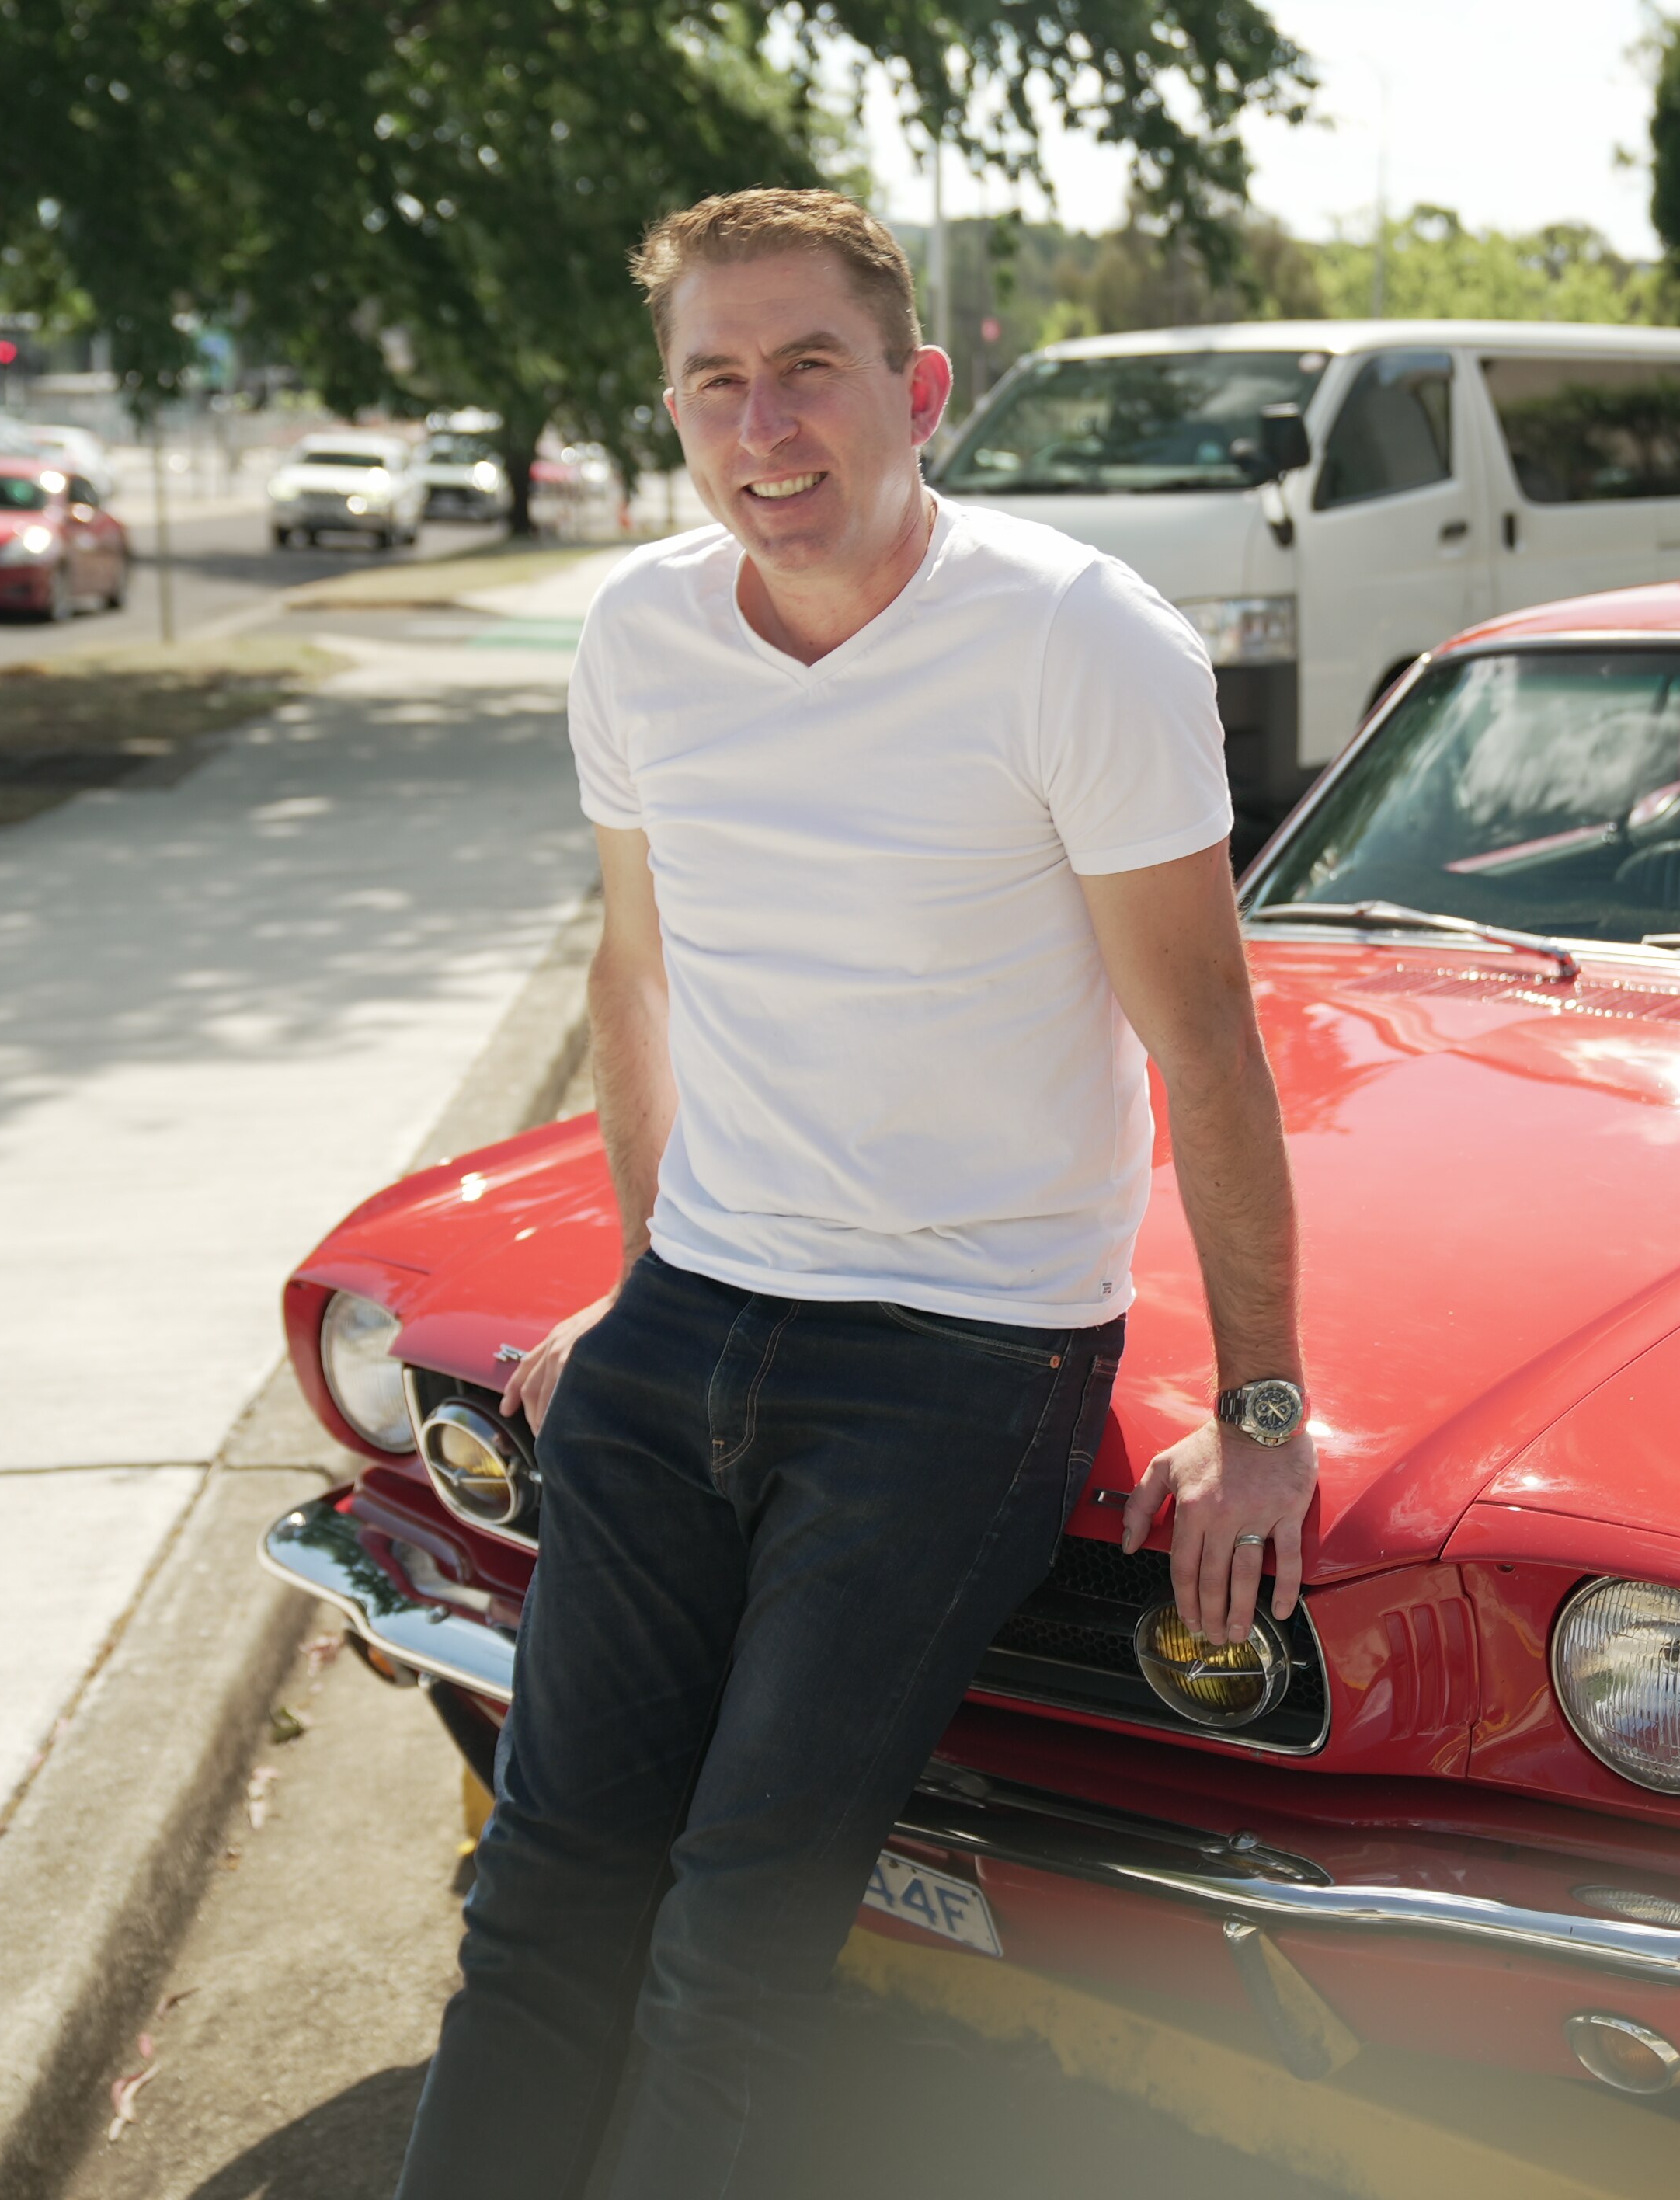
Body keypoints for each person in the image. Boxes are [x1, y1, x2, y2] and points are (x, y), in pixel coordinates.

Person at [395, 187, 1317, 2198]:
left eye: (807, 368)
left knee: (736, 1930)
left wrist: (1261, 1417)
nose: (762, 427)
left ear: (919, 386)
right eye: (714, 383)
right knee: (547, 1884)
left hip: (964, 1365)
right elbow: (638, 974)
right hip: (694, 1323)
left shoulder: (1077, 642)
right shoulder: (641, 634)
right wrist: (640, 1287)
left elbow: (1209, 1051)